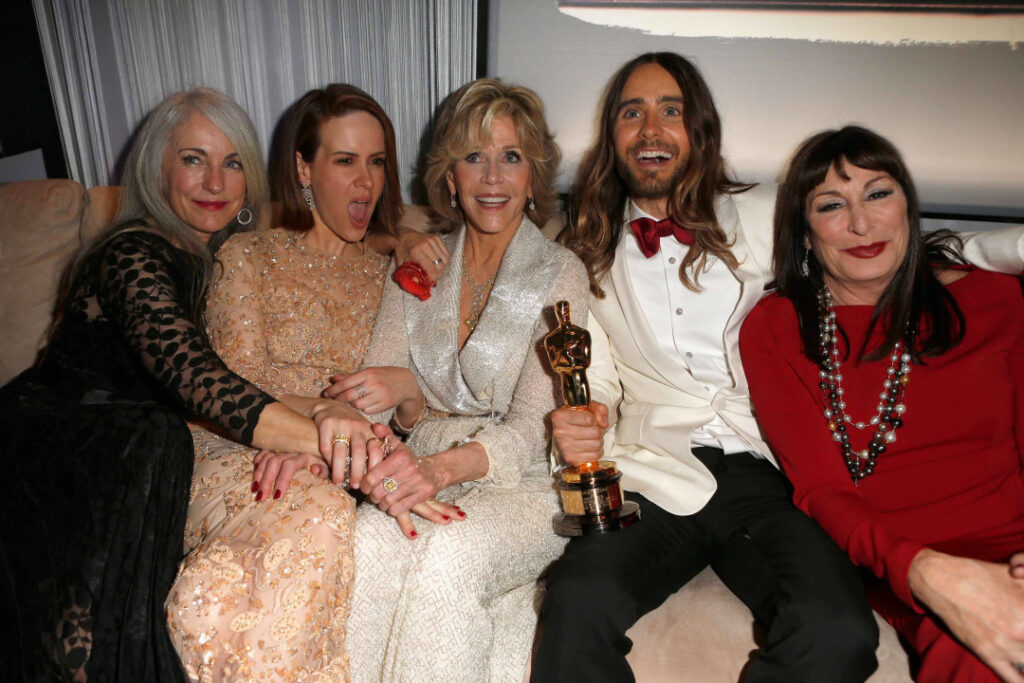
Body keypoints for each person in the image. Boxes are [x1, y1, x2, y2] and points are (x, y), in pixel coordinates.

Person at [0, 88, 382, 681]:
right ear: (158, 167)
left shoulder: (218, 252)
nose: (215, 182)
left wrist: (399, 240)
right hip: (59, 449)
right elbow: (201, 382)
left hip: (140, 457)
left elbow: (321, 245)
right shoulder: (132, 253)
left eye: (232, 163)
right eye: (193, 159)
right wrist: (336, 446)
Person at [531, 51, 881, 683]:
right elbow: (596, 374)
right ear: (612, 135)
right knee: (576, 602)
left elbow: (876, 251)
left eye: (671, 110)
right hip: (656, 471)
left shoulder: (770, 212)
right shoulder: (584, 245)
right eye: (632, 113)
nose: (651, 128)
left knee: (838, 630)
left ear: (699, 129)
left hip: (771, 471)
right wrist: (586, 416)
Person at [165, 84, 455, 682]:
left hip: (334, 463)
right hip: (232, 449)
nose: (366, 182)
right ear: (303, 168)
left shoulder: (393, 278)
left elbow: (431, 409)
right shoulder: (247, 255)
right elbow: (234, 383)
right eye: (345, 161)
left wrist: (406, 392)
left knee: (223, 595)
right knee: (319, 514)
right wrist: (320, 420)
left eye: (377, 162)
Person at [326, 78, 588, 683]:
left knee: (448, 555)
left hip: (523, 483)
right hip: (421, 464)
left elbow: (534, 428)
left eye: (511, 157)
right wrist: (366, 443)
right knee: (369, 542)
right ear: (450, 176)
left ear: (533, 177)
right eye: (474, 156)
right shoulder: (419, 264)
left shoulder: (560, 271)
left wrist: (439, 470)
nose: (492, 177)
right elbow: (376, 400)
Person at [740, 126, 1024, 683]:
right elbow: (822, 491)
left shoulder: (996, 297)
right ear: (804, 232)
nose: (861, 223)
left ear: (907, 208)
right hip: (902, 560)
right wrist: (925, 572)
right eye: (831, 205)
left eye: (877, 194)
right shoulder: (775, 327)